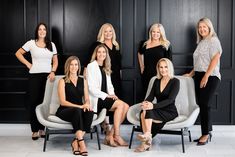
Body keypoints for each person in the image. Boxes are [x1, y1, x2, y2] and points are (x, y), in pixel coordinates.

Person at [15, 22, 58, 140]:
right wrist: (29, 64)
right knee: (34, 103)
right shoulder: (31, 43)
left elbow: (55, 61)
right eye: (40, 29)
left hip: (48, 78)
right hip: (34, 76)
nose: (42, 31)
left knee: (44, 103)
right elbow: (18, 53)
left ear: (46, 31)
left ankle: (41, 129)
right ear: (37, 31)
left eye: (44, 29)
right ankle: (34, 130)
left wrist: (53, 71)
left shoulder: (51, 45)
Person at [184, 17, 222, 146]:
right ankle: (207, 131)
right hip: (199, 75)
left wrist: (206, 76)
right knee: (203, 104)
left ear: (209, 27)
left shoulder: (213, 40)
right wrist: (191, 74)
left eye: (204, 27)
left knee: (204, 103)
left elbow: (215, 59)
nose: (201, 29)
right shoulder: (201, 42)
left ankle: (205, 134)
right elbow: (200, 63)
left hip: (211, 76)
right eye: (200, 27)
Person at [86, 44, 129, 147]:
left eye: (104, 52)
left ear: (106, 54)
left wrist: (113, 94)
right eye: (99, 52)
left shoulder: (106, 66)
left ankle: (110, 135)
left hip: (105, 97)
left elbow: (109, 85)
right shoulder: (91, 66)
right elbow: (91, 88)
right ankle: (116, 136)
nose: (101, 54)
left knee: (126, 106)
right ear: (96, 54)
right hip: (97, 99)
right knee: (120, 105)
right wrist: (106, 96)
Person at [135, 58, 179, 152]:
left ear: (169, 68)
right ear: (158, 68)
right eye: (161, 67)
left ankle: (146, 140)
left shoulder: (175, 81)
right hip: (159, 109)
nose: (163, 69)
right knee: (144, 110)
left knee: (147, 112)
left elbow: (170, 100)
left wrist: (153, 106)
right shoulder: (156, 81)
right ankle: (148, 137)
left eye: (166, 67)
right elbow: (150, 96)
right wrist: (145, 103)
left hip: (169, 111)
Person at [86, 23, 122, 135]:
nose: (108, 33)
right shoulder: (98, 45)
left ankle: (110, 126)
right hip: (101, 74)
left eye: (110, 31)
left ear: (113, 33)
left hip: (113, 76)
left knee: (113, 99)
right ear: (102, 32)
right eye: (105, 31)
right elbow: (90, 61)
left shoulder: (116, 45)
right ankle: (105, 124)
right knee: (103, 97)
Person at [56, 56, 93, 155]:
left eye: (76, 64)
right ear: (68, 66)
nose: (74, 67)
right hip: (64, 110)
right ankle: (82, 143)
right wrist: (80, 106)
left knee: (90, 111)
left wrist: (87, 104)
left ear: (78, 66)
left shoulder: (83, 80)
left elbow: (87, 98)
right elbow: (62, 102)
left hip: (79, 110)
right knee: (77, 111)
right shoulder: (62, 81)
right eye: (71, 64)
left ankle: (75, 142)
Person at [138, 23, 172, 95]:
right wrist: (141, 66)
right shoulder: (145, 44)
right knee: (147, 95)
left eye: (158, 32)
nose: (155, 34)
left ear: (161, 33)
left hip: (160, 74)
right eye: (154, 31)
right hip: (147, 74)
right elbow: (139, 53)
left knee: (159, 95)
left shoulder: (166, 45)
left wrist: (166, 75)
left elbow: (169, 62)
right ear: (150, 32)